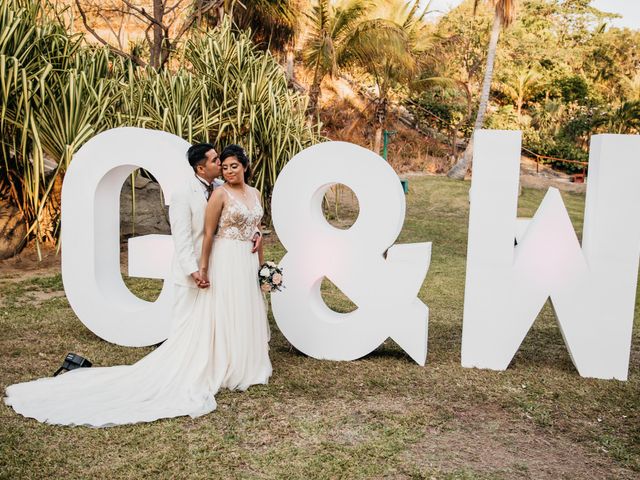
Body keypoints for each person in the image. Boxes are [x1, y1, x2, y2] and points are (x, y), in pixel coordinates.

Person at [3, 144, 271, 427]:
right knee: (188, 330)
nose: (223, 166)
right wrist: (196, 270)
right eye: (217, 161)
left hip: (229, 263)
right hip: (197, 269)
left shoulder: (222, 185)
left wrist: (254, 233)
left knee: (222, 318)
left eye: (227, 163)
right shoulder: (185, 193)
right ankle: (194, 367)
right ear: (200, 168)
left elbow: (242, 216)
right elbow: (183, 237)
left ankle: (232, 360)